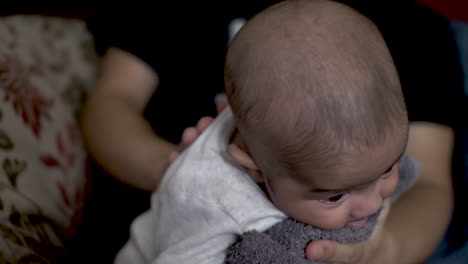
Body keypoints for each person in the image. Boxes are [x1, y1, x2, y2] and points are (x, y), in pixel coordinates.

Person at [73, 0, 465, 263]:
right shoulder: (226, 213)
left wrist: (384, 249)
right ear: (254, 165)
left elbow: (427, 182)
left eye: (386, 171)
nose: (369, 205)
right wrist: (172, 166)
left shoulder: (414, 31)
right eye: (334, 195)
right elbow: (112, 100)